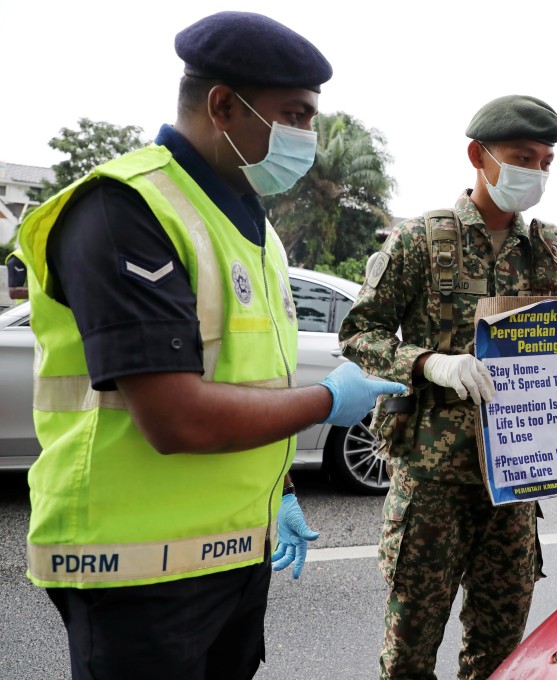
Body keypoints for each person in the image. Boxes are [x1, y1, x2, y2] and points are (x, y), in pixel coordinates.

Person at [18, 12, 404, 680]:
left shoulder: (250, 227)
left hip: (230, 554)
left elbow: (248, 375)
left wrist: (278, 487)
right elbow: (175, 417)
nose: (308, 137)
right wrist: (324, 400)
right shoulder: (125, 210)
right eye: (296, 115)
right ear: (224, 105)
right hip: (131, 567)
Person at [338, 94, 557, 679]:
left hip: (514, 482)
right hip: (433, 480)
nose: (536, 172)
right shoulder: (422, 239)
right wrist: (427, 364)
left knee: (499, 652)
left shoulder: (544, 252)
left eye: (545, 161)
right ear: (478, 155)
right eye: (523, 157)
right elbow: (359, 334)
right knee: (411, 650)